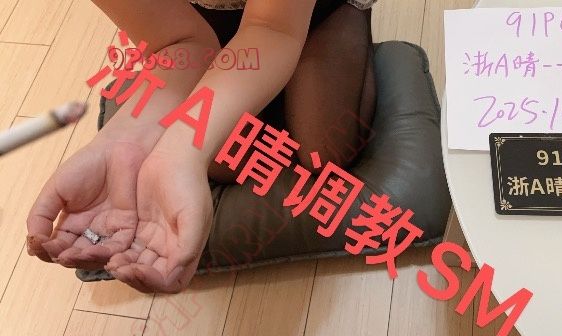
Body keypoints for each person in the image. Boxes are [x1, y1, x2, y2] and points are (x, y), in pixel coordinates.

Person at [25, 0, 377, 294]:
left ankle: (348, 15)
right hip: (203, 12)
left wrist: (185, 143)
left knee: (325, 153)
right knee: (225, 161)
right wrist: (134, 143)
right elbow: (176, 41)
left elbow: (272, 28)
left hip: (306, 11)